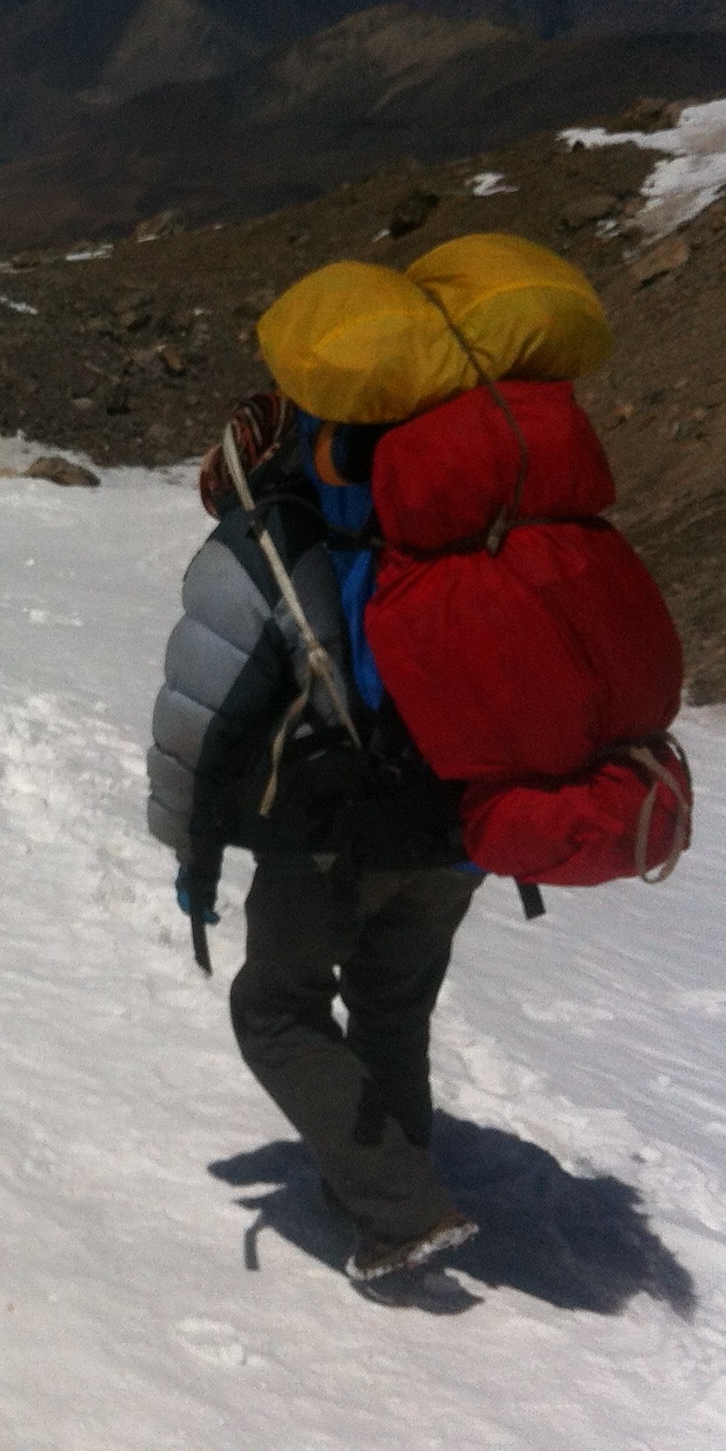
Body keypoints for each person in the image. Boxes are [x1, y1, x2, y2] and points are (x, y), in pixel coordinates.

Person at [147, 392, 482, 1286]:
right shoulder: (449, 524)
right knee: (391, 1005)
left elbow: (199, 723)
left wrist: (191, 849)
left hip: (333, 833)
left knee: (276, 1010)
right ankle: (381, 1180)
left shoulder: (262, 546)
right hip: (460, 823)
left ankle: (399, 1212)